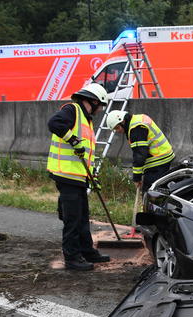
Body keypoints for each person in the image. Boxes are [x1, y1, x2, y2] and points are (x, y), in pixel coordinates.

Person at [46, 83, 111, 271]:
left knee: (82, 217)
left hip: (79, 176)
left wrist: (93, 177)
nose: (100, 110)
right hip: (66, 175)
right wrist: (73, 139)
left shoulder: (86, 119)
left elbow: (85, 153)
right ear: (93, 101)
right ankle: (72, 258)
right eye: (100, 105)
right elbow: (54, 124)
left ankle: (86, 251)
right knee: (72, 219)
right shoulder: (72, 109)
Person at [105, 110, 174, 193]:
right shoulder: (137, 120)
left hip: (158, 160)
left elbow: (139, 156)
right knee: (158, 189)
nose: (118, 131)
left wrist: (137, 178)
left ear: (123, 121)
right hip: (162, 156)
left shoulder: (136, 129)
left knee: (150, 192)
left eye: (117, 128)